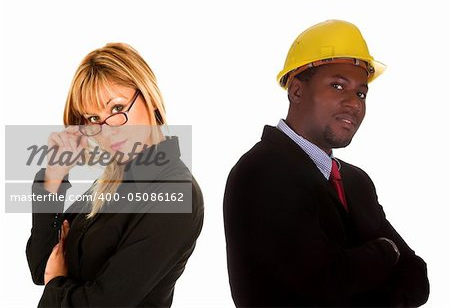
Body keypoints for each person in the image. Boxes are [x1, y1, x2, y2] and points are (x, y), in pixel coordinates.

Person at [223, 20, 429, 307]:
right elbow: (324, 286)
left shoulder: (356, 182)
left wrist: (360, 268)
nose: (354, 103)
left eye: (360, 93)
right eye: (337, 86)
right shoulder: (261, 172)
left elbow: (417, 278)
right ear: (296, 91)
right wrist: (386, 251)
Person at [26, 43, 204, 307]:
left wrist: (56, 286)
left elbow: (103, 302)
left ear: (149, 96)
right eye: (94, 118)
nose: (107, 130)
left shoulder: (177, 193)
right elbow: (42, 265)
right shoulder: (110, 180)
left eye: (118, 109)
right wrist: (53, 178)